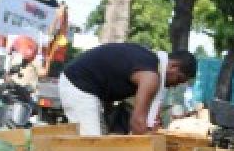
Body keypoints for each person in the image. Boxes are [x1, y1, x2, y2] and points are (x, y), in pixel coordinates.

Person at [59, 42, 197, 135]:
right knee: (91, 144)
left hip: (90, 90)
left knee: (101, 143)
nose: (175, 85)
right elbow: (137, 122)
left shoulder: (150, 61)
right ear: (173, 66)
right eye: (178, 79)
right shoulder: (151, 76)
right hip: (78, 84)